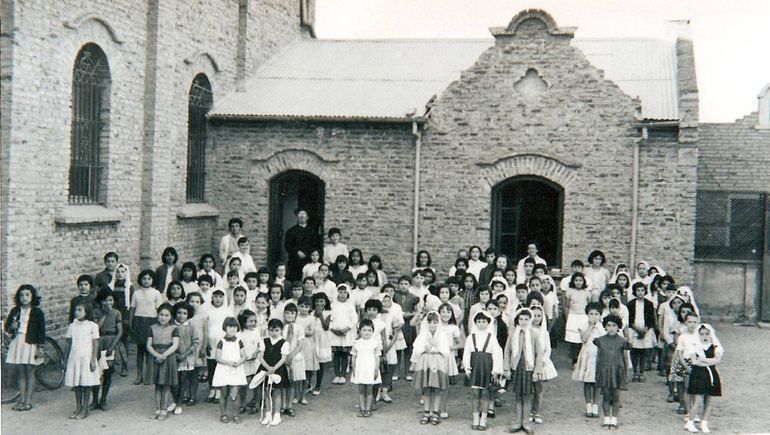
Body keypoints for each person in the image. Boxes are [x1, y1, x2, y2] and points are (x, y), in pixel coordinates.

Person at [4, 284, 46, 411]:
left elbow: (41, 331)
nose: (24, 297)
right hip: (18, 342)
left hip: (31, 342)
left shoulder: (37, 312)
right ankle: (21, 399)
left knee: (30, 371)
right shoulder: (15, 311)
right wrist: (12, 327)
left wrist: (40, 347)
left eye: (27, 295)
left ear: (32, 297)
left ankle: (28, 400)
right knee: (21, 372)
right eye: (21, 295)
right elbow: (7, 328)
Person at [504, 308, 544, 434]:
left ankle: (526, 422)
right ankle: (518, 422)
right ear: (517, 320)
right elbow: (507, 351)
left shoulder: (534, 334)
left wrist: (537, 370)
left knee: (526, 396)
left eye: (526, 319)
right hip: (517, 368)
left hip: (528, 369)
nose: (523, 322)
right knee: (518, 396)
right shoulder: (513, 334)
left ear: (530, 320)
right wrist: (506, 368)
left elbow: (539, 353)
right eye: (521, 319)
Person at [462, 311, 503, 431]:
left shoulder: (492, 338)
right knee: (475, 394)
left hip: (486, 368)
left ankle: (483, 420)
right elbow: (466, 353)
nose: (481, 324)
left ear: (488, 322)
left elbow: (496, 354)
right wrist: (467, 367)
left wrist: (495, 370)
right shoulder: (471, 337)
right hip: (474, 367)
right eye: (478, 321)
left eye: (484, 321)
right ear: (475, 323)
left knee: (485, 394)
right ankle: (475, 419)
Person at [410, 311, 450, 425]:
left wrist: (436, 345)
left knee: (437, 389)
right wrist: (425, 347)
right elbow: (416, 349)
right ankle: (426, 412)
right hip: (425, 362)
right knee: (426, 389)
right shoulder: (422, 335)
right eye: (430, 322)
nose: (432, 325)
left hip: (438, 362)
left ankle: (436, 412)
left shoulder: (442, 335)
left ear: (438, 323)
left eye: (435, 322)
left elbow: (446, 352)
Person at [65, 302, 102, 420]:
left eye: (80, 310)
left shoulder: (92, 326)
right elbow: (69, 343)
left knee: (86, 383)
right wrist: (66, 359)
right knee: (77, 384)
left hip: (86, 358)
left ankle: (85, 408)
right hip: (75, 358)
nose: (76, 312)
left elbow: (95, 344)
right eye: (75, 310)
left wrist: (93, 360)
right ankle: (78, 407)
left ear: (86, 312)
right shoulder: (72, 326)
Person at [144, 303, 179, 421]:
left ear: (171, 316)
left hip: (168, 357)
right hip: (155, 356)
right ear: (157, 315)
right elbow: (148, 345)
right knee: (158, 385)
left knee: (166, 385)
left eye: (166, 315)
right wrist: (157, 355)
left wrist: (163, 355)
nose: (163, 317)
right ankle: (157, 409)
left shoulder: (174, 328)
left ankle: (164, 409)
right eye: (161, 314)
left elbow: (175, 345)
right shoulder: (152, 328)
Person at [594, 314, 628, 430]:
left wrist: (625, 374)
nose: (611, 328)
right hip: (605, 370)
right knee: (606, 396)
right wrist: (597, 372)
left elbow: (625, 358)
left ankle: (614, 420)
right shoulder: (600, 341)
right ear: (605, 326)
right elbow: (598, 357)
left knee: (616, 396)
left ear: (618, 327)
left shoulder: (622, 341)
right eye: (608, 325)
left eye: (614, 325)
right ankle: (606, 419)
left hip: (617, 371)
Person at [686, 324, 722, 434]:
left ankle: (704, 422)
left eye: (707, 334)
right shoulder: (694, 346)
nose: (704, 336)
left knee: (709, 400)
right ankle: (690, 422)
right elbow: (694, 361)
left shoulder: (715, 346)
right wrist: (709, 361)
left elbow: (717, 360)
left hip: (711, 375)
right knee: (697, 400)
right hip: (699, 375)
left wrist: (703, 360)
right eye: (701, 334)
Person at [254, 318, 291, 426]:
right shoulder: (264, 342)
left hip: (278, 369)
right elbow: (260, 357)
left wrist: (274, 368)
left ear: (281, 330)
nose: (274, 333)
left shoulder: (284, 343)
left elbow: (283, 358)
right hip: (265, 368)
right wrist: (267, 367)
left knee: (277, 392)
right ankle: (268, 414)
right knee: (266, 391)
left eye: (276, 330)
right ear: (268, 330)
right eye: (271, 330)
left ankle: (277, 415)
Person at [130, 270, 163, 385]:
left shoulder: (156, 293)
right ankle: (139, 375)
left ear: (153, 280)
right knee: (140, 350)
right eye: (144, 278)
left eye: (149, 279)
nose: (146, 281)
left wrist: (159, 324)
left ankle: (149, 376)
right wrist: (131, 323)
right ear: (140, 280)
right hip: (139, 321)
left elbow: (159, 310)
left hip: (151, 321)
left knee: (150, 349)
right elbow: (132, 308)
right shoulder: (136, 293)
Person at [572, 302, 605, 418]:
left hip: (598, 355)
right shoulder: (584, 325)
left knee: (597, 382)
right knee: (587, 382)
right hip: (587, 354)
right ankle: (588, 406)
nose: (593, 316)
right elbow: (584, 339)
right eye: (591, 314)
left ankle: (595, 405)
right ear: (587, 314)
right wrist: (590, 326)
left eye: (596, 314)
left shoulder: (603, 327)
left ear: (600, 315)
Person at [212, 317, 247, 424]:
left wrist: (239, 362)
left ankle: (236, 415)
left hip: (236, 370)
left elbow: (244, 356)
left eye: (234, 327)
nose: (232, 329)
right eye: (230, 326)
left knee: (234, 394)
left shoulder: (239, 341)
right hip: (223, 369)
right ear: (225, 328)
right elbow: (217, 358)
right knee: (224, 393)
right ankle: (223, 414)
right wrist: (228, 363)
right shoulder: (221, 342)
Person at [93, 288, 122, 410]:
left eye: (110, 300)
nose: (108, 303)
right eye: (105, 300)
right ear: (100, 301)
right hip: (99, 342)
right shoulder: (96, 312)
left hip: (111, 341)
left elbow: (120, 332)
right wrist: (104, 314)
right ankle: (94, 400)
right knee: (96, 372)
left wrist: (112, 346)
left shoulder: (117, 313)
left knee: (108, 372)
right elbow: (96, 329)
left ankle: (103, 399)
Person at [351, 318, 381, 418]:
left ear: (373, 331)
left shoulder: (375, 343)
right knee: (361, 391)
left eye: (369, 330)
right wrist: (354, 370)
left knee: (369, 391)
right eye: (364, 330)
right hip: (360, 370)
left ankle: (368, 409)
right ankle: (362, 409)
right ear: (359, 331)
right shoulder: (356, 343)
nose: (366, 332)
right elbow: (353, 357)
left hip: (370, 370)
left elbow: (377, 358)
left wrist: (376, 370)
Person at [205, 289, 231, 403]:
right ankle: (212, 389)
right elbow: (205, 327)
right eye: (215, 296)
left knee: (220, 367)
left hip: (223, 342)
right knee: (211, 367)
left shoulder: (228, 311)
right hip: (211, 341)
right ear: (212, 298)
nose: (218, 299)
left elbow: (230, 327)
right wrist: (206, 342)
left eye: (220, 297)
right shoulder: (207, 311)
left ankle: (219, 391)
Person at [172, 301, 198, 414]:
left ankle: (179, 403)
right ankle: (174, 400)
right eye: (179, 313)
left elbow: (196, 342)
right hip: (174, 357)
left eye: (184, 313)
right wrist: (175, 354)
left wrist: (185, 354)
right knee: (173, 382)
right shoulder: (172, 326)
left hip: (187, 358)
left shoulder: (191, 327)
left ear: (188, 314)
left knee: (183, 381)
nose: (181, 315)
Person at [627, 282, 656, 382]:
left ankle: (641, 372)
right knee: (635, 351)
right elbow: (629, 319)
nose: (640, 292)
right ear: (634, 292)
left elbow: (651, 319)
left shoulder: (649, 304)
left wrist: (645, 330)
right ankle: (635, 372)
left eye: (642, 290)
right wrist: (637, 329)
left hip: (645, 329)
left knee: (643, 352)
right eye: (638, 290)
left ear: (645, 291)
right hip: (634, 329)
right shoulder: (631, 304)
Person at [329, 284, 357, 384]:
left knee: (345, 354)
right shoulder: (332, 305)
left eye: (345, 292)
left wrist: (346, 328)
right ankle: (337, 374)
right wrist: (333, 329)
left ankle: (343, 375)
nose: (342, 294)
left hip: (346, 333)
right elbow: (329, 318)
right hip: (335, 333)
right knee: (336, 354)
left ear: (348, 294)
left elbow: (354, 319)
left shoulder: (350, 306)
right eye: (340, 292)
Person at [284, 208, 322, 282]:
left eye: (304, 214)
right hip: (295, 262)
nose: (302, 216)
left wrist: (309, 254)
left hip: (309, 260)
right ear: (297, 217)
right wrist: (297, 252)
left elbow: (316, 245)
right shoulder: (291, 231)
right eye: (300, 214)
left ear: (307, 217)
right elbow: (287, 246)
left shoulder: (313, 231)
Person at [109, 263, 133, 376]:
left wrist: (128, 318)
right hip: (113, 316)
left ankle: (124, 365)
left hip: (124, 316)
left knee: (124, 342)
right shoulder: (111, 286)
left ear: (126, 273)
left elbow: (131, 304)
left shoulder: (129, 287)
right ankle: (111, 365)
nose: (120, 274)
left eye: (123, 272)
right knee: (111, 340)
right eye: (118, 272)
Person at [237, 309, 262, 414]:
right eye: (251, 321)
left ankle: (257, 404)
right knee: (244, 384)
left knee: (256, 383)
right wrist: (243, 356)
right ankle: (242, 404)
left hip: (255, 361)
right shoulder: (239, 334)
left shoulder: (256, 331)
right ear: (243, 322)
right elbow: (238, 347)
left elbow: (260, 345)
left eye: (255, 321)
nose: (253, 323)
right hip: (244, 361)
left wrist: (256, 353)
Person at [565, 272, 591, 365]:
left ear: (584, 281)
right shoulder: (569, 292)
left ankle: (582, 360)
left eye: (580, 280)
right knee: (573, 340)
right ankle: (574, 361)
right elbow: (567, 306)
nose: (578, 282)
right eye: (576, 280)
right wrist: (567, 317)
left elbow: (589, 306)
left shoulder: (587, 292)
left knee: (582, 339)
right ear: (573, 281)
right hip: (573, 317)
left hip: (583, 317)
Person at [310, 292, 333, 394]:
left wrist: (320, 316)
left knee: (320, 364)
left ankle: (318, 385)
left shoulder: (328, 313)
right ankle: (309, 384)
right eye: (317, 301)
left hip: (322, 339)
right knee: (310, 361)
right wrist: (315, 315)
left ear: (325, 302)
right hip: (312, 338)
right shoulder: (311, 312)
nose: (319, 303)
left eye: (321, 301)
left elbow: (326, 327)